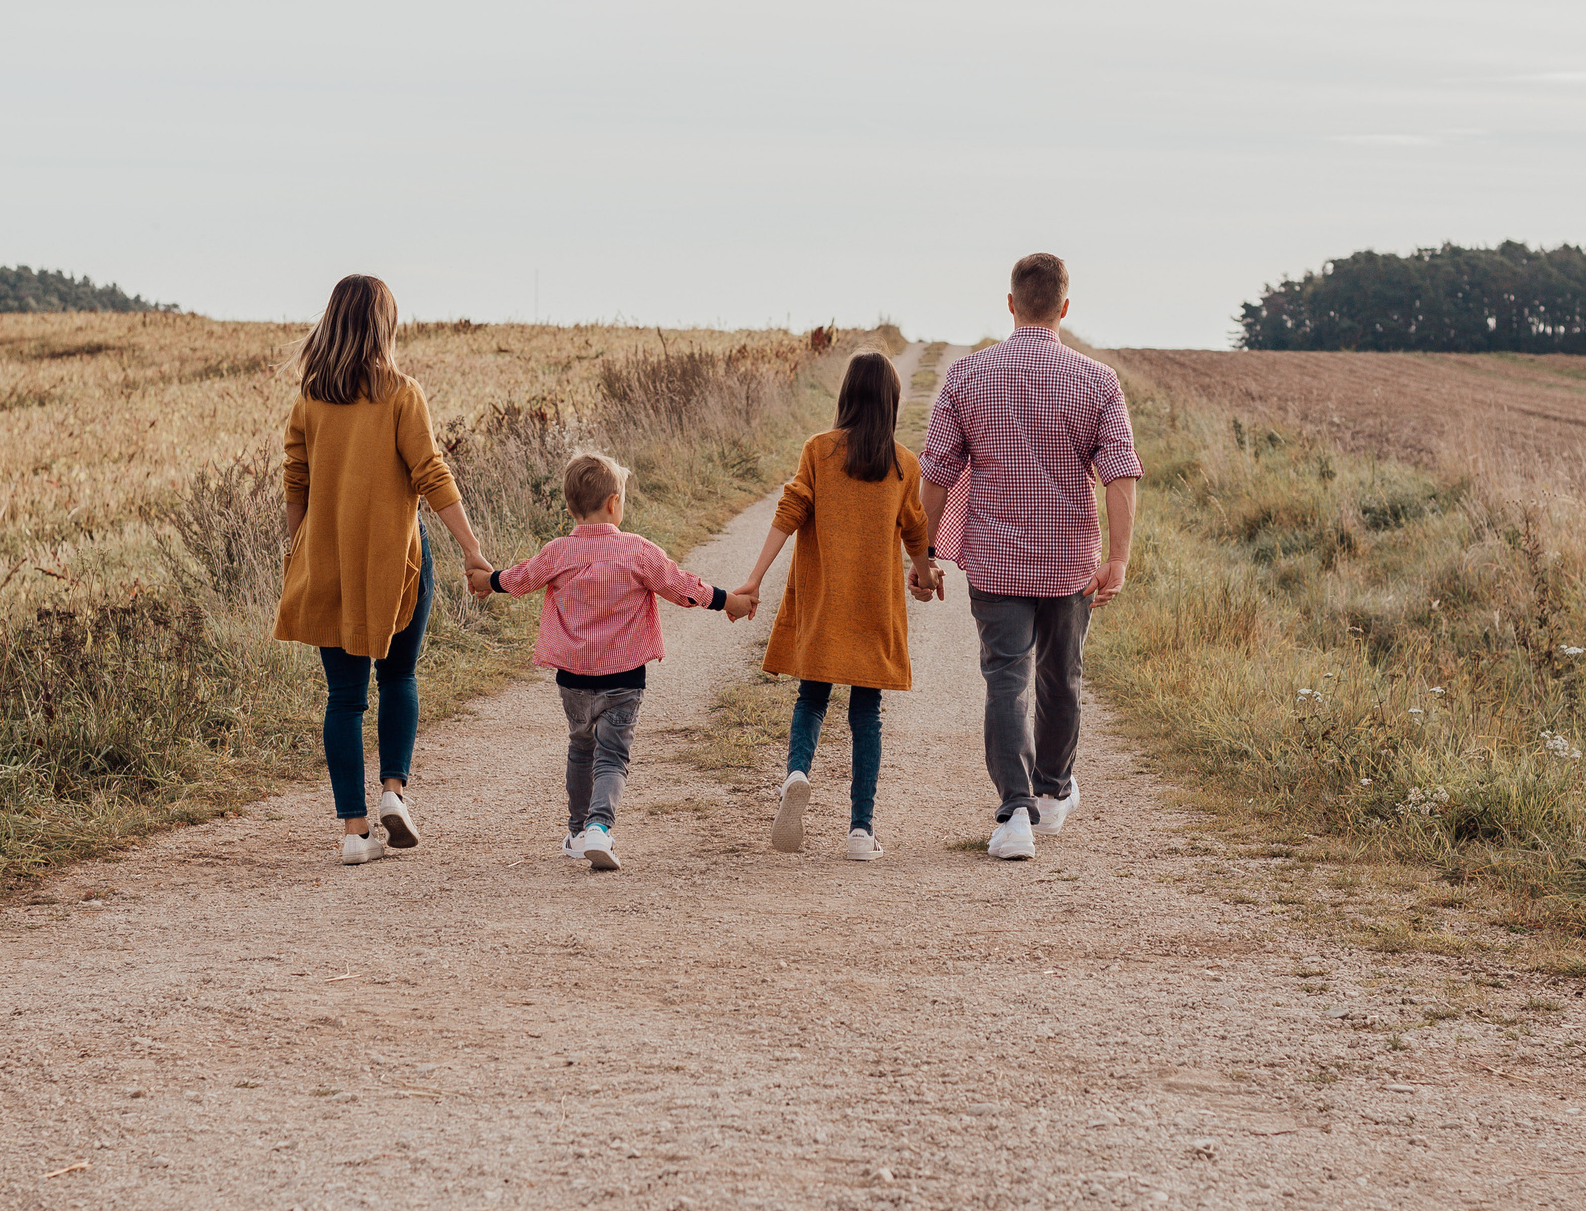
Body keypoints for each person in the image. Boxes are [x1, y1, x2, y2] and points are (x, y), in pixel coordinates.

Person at [919, 253, 1142, 861]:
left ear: (1011, 304)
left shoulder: (967, 377)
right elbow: (1120, 477)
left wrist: (927, 553)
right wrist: (1117, 559)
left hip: (994, 561)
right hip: (1070, 560)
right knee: (1061, 677)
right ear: (1065, 307)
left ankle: (1014, 814)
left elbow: (935, 474)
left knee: (1005, 679)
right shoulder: (1097, 381)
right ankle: (1050, 792)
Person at [275, 275, 494, 868]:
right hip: (395, 558)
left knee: (343, 698)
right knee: (398, 679)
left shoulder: (309, 398)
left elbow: (296, 479)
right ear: (384, 326)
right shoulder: (402, 393)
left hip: (328, 558)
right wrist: (473, 551)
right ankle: (394, 792)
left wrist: (302, 547)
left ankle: (353, 830)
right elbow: (431, 472)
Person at [480, 451, 758, 871]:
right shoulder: (638, 551)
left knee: (580, 747)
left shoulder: (557, 552)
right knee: (612, 756)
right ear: (614, 503)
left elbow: (520, 580)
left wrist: (486, 580)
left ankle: (576, 832)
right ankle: (599, 828)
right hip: (624, 679)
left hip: (572, 679)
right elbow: (681, 587)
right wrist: (728, 601)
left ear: (571, 506)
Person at [733, 350, 931, 861]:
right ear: (892, 402)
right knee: (867, 716)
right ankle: (861, 831)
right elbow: (915, 529)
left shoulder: (818, 451)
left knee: (812, 698)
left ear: (845, 396)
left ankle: (798, 771)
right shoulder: (904, 463)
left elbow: (790, 511)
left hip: (823, 601)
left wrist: (753, 580)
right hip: (874, 607)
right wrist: (927, 575)